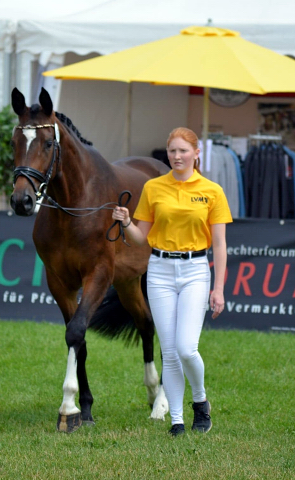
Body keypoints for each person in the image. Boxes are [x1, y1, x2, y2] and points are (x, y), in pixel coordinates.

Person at [112, 127, 232, 437]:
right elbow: (142, 237)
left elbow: (219, 244)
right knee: (170, 350)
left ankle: (200, 400)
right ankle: (177, 420)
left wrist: (218, 288)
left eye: (182, 151)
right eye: (172, 151)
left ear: (196, 153)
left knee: (186, 348)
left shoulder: (212, 191)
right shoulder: (153, 187)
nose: (176, 156)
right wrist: (126, 222)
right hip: (160, 271)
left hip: (194, 271)